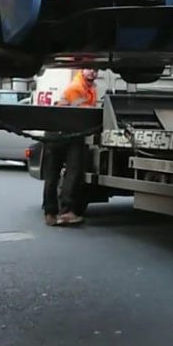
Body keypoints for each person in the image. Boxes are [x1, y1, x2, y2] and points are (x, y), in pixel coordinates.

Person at [42, 68, 98, 227]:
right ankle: (53, 212)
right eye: (89, 69)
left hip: (72, 133)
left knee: (72, 172)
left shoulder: (90, 89)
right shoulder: (76, 87)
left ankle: (61, 212)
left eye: (96, 70)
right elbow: (82, 111)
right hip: (59, 133)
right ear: (82, 71)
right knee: (54, 174)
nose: (93, 72)